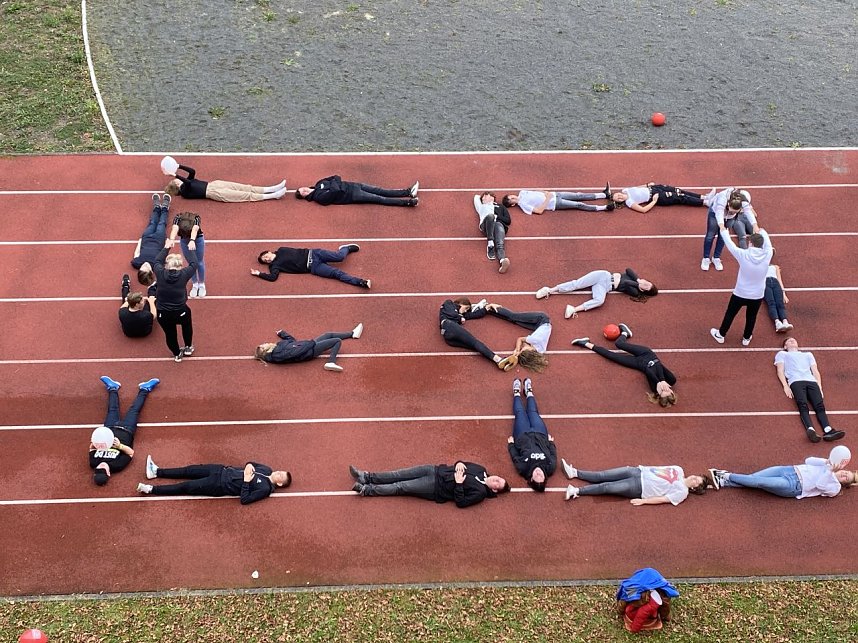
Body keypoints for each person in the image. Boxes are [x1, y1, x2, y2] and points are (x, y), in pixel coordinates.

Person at [571, 324, 677, 407]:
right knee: (619, 344)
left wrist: (657, 383)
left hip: (639, 364)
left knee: (612, 357)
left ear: (658, 395)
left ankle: (586, 343)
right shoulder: (671, 380)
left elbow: (648, 370)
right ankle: (625, 333)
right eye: (668, 391)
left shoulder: (654, 387)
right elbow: (657, 364)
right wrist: (662, 380)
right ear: (672, 391)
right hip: (646, 354)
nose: (664, 388)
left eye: (663, 391)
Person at [89, 375, 160, 486]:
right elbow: (131, 453)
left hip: (109, 428)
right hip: (126, 430)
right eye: (103, 470)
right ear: (108, 473)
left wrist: (95, 442)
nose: (101, 466)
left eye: (98, 469)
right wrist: (119, 446)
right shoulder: (117, 465)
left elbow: (91, 448)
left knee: (112, 409)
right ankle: (145, 389)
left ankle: (113, 388)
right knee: (134, 410)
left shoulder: (93, 463)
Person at [709, 226, 773, 347]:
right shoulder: (768, 254)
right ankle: (746, 338)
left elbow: (731, 245)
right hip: (757, 295)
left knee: (730, 314)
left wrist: (724, 232)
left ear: (750, 243)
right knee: (751, 316)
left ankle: (721, 335)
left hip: (740, 293)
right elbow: (768, 243)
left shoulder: (743, 254)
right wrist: (762, 231)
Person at [349, 461, 510, 508]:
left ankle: (367, 490)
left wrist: (459, 484)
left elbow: (461, 502)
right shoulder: (481, 469)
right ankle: (366, 476)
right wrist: (460, 462)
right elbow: (462, 463)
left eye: (497, 483)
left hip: (435, 487)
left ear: (494, 489)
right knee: (398, 473)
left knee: (401, 486)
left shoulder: (480, 493)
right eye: (499, 478)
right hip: (434, 469)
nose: (496, 479)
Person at [774, 337, 846, 442]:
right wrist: (785, 386)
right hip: (796, 381)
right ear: (785, 346)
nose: (792, 341)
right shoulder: (782, 354)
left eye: (794, 340)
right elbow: (780, 370)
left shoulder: (808, 355)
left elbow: (815, 371)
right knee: (802, 404)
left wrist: (819, 386)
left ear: (798, 345)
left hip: (811, 381)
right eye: (789, 341)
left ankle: (828, 430)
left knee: (819, 405)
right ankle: (811, 429)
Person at [138, 457, 292, 505]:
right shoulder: (267, 469)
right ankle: (156, 472)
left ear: (279, 483)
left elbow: (245, 500)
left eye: (281, 475)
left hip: (219, 485)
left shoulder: (265, 489)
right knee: (188, 470)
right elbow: (250, 463)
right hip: (221, 470)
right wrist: (249, 465)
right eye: (281, 471)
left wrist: (246, 481)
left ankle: (151, 489)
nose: (278, 472)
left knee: (186, 486)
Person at [561, 458, 713, 503]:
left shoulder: (682, 492)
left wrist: (643, 501)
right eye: (697, 477)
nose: (694, 478)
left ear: (694, 488)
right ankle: (574, 473)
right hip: (638, 471)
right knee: (603, 474)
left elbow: (663, 499)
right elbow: (658, 468)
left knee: (607, 487)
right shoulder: (679, 469)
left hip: (639, 487)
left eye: (697, 481)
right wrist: (641, 468)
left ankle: (576, 491)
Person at [709, 454, 856, 499]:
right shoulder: (827, 466)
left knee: (759, 482)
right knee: (752, 478)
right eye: (846, 472)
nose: (844, 474)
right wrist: (826, 461)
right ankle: (723, 482)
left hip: (793, 486)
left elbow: (820, 485)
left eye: (846, 478)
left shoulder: (835, 488)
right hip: (788, 470)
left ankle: (724, 475)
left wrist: (829, 471)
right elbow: (808, 460)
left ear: (845, 484)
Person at [534, 268, 657, 320]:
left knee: (600, 301)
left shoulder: (635, 291)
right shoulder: (635, 278)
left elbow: (627, 283)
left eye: (647, 286)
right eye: (648, 282)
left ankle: (574, 309)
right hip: (603, 275)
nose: (646, 283)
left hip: (605, 287)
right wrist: (639, 280)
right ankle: (549, 290)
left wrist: (638, 284)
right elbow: (628, 269)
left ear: (643, 291)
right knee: (577, 284)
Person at [438, 297, 517, 371]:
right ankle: (499, 360)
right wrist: (460, 318)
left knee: (474, 346)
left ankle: (498, 361)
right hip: (449, 326)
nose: (465, 311)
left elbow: (475, 315)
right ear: (461, 303)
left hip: (449, 338)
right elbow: (451, 313)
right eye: (466, 308)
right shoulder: (449, 303)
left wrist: (487, 307)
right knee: (475, 342)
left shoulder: (461, 314)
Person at [507, 378, 556, 491]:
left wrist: (511, 445)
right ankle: (529, 392)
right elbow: (553, 454)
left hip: (522, 435)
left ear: (532, 479)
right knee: (533, 412)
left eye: (536, 477)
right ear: (545, 477)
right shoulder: (550, 467)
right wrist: (551, 443)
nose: (538, 473)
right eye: (541, 476)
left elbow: (515, 457)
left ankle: (516, 393)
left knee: (520, 413)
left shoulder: (523, 469)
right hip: (540, 434)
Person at [153, 239, 198, 362]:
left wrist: (166, 247)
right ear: (180, 266)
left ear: (167, 265)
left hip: (163, 312)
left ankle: (177, 354)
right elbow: (194, 264)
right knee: (187, 326)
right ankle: (188, 347)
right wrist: (190, 248)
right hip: (180, 311)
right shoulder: (184, 274)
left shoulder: (160, 273)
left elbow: (157, 261)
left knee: (170, 333)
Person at [254, 323, 363, 372]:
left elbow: (292, 342)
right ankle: (331, 362)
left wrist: (283, 334)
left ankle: (352, 334)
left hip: (307, 345)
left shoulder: (278, 346)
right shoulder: (277, 355)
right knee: (337, 341)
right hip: (309, 351)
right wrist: (311, 344)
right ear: (265, 351)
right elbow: (295, 352)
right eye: (263, 345)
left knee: (328, 334)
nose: (265, 343)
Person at [251, 244, 370, 289]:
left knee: (340, 257)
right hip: (313, 267)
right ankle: (361, 282)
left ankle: (346, 248)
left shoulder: (281, 250)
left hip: (314, 253)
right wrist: (259, 274)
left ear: (269, 252)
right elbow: (273, 277)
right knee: (337, 274)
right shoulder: (274, 266)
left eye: (265, 256)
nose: (267, 259)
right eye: (265, 261)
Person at [164, 162, 286, 202]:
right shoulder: (185, 192)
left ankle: (271, 188)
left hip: (214, 184)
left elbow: (192, 171)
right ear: (177, 185)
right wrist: (176, 175)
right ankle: (273, 196)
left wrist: (178, 166)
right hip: (213, 193)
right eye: (176, 180)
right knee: (244, 195)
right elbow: (188, 183)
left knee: (245, 187)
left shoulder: (186, 182)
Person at [701, 187, 758, 271]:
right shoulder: (722, 198)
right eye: (731, 211)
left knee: (723, 237)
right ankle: (706, 258)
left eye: (735, 212)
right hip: (715, 213)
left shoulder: (743, 201)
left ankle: (716, 257)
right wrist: (721, 226)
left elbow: (749, 212)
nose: (733, 212)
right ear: (728, 204)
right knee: (710, 235)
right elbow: (719, 214)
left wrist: (755, 225)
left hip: (730, 218)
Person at [485, 304, 550, 372]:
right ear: (531, 351)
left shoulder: (540, 351)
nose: (523, 347)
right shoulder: (535, 340)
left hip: (537, 326)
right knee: (513, 316)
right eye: (523, 349)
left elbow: (525, 346)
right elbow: (520, 339)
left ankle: (490, 312)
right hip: (542, 319)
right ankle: (488, 306)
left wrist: (518, 353)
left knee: (514, 321)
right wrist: (517, 349)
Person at [616, 568, 679, 633]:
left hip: (646, 582)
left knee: (628, 598)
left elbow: (624, 598)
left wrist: (621, 611)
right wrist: (666, 617)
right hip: (647, 582)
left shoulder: (633, 589)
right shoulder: (656, 595)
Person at [131, 193, 171, 291]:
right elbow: (164, 254)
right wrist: (167, 244)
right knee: (161, 223)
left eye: (142, 268)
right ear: (151, 272)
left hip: (146, 238)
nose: (144, 265)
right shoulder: (156, 265)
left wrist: (140, 242)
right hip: (159, 239)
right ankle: (165, 208)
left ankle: (156, 207)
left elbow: (136, 253)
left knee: (152, 222)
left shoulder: (137, 263)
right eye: (146, 267)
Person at [296, 175, 418, 206]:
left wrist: (336, 184)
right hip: (353, 195)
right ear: (305, 197)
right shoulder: (319, 198)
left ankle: (408, 192)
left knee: (381, 190)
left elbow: (336, 176)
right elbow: (336, 190)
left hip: (354, 185)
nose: (305, 190)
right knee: (380, 199)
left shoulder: (319, 183)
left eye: (303, 188)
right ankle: (407, 203)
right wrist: (336, 184)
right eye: (303, 193)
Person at [169, 212, 207, 298]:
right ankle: (195, 284)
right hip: (184, 240)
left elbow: (195, 230)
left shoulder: (196, 218)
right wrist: (171, 239)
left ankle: (201, 284)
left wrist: (192, 240)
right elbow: (175, 228)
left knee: (199, 262)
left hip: (197, 239)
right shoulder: (178, 218)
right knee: (191, 263)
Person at [472, 192, 512, 273]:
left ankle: (502, 261)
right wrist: (485, 199)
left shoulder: (501, 206)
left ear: (492, 197)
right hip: (485, 225)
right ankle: (490, 244)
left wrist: (497, 216)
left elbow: (508, 220)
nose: (484, 198)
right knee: (491, 216)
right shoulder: (481, 206)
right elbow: (476, 197)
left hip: (498, 224)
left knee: (500, 244)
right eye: (483, 198)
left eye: (486, 196)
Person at [501, 186, 613, 214]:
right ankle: (604, 208)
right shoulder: (523, 205)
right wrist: (548, 198)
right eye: (511, 200)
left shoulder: (522, 192)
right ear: (512, 205)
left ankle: (604, 195)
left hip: (556, 194)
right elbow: (539, 211)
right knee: (578, 204)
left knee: (579, 195)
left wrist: (545, 192)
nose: (513, 197)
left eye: (511, 196)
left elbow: (534, 191)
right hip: (555, 203)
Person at [610, 183, 707, 213]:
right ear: (620, 202)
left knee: (678, 190)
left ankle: (703, 196)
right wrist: (654, 201)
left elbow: (637, 188)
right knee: (680, 197)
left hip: (654, 188)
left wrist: (647, 184)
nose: (619, 197)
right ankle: (704, 202)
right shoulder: (629, 202)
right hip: (656, 197)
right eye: (618, 199)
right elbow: (643, 210)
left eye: (618, 195)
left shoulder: (625, 190)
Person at [765, 264, 794, 332]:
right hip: (765, 283)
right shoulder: (761, 265)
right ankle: (777, 323)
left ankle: (785, 321)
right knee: (771, 303)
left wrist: (783, 294)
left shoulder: (775, 267)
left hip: (776, 283)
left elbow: (779, 279)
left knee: (780, 303)